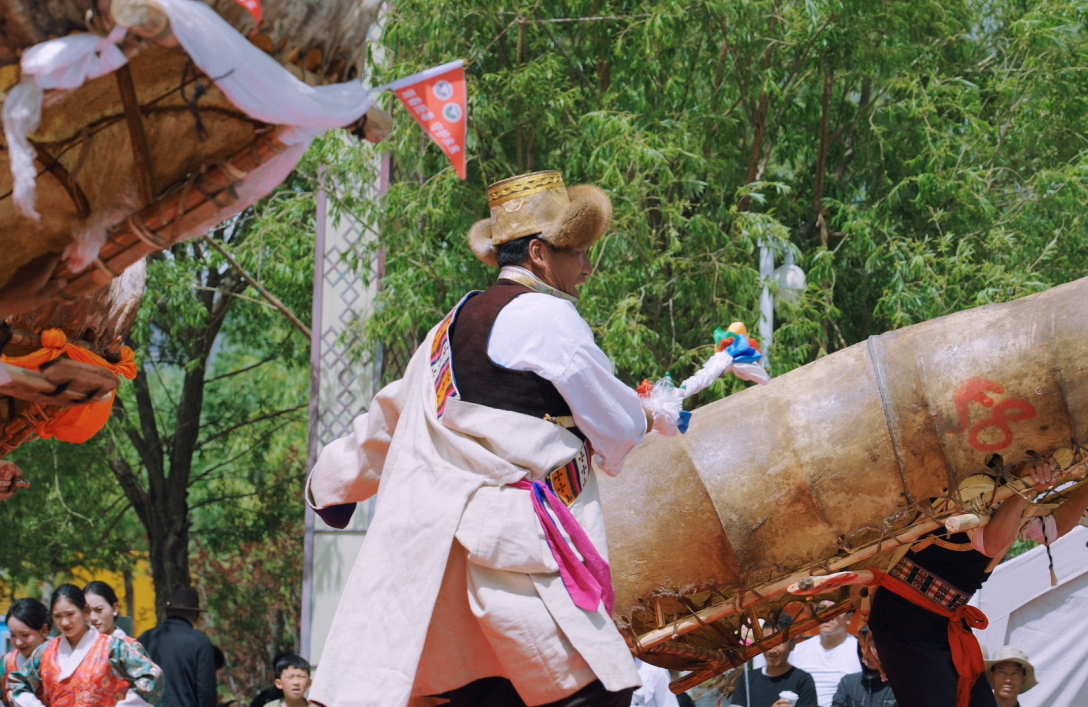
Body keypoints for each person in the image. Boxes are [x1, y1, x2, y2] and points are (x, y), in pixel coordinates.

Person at [305, 171, 739, 707]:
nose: (587, 267)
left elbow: (388, 420)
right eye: (577, 252)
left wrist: (330, 487)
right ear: (538, 253)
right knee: (594, 690)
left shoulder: (449, 325)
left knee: (483, 690)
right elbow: (617, 427)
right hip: (519, 561)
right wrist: (648, 415)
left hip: (446, 563)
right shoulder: (550, 317)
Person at [865, 459, 1088, 707]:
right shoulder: (972, 486)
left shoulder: (1013, 497)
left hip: (943, 620)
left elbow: (1050, 531)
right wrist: (1023, 487)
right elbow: (990, 544)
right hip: (904, 617)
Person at [8, 584, 162, 707]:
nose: (65, 622)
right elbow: (17, 683)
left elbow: (153, 677)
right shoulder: (45, 651)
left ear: (85, 611)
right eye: (58, 617)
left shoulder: (114, 647)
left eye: (70, 614)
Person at [137, 587, 217, 707]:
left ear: (167, 613)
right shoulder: (200, 642)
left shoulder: (146, 638)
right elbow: (205, 691)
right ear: (197, 616)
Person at [789, 603, 861, 706]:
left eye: (835, 610)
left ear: (849, 618)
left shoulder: (861, 652)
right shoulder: (797, 650)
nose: (827, 615)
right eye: (822, 609)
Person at [729, 628, 817, 707]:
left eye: (779, 643)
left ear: (792, 645)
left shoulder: (803, 680)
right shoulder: (748, 679)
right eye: (768, 643)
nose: (772, 650)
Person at [1, 599, 51, 706]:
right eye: (13, 635)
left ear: (44, 630)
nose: (18, 642)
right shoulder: (6, 663)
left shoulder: (60, 660)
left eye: (25, 635)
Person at [830, 628, 896, 707]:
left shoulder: (899, 687)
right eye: (864, 646)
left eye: (875, 646)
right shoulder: (848, 682)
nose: (869, 654)